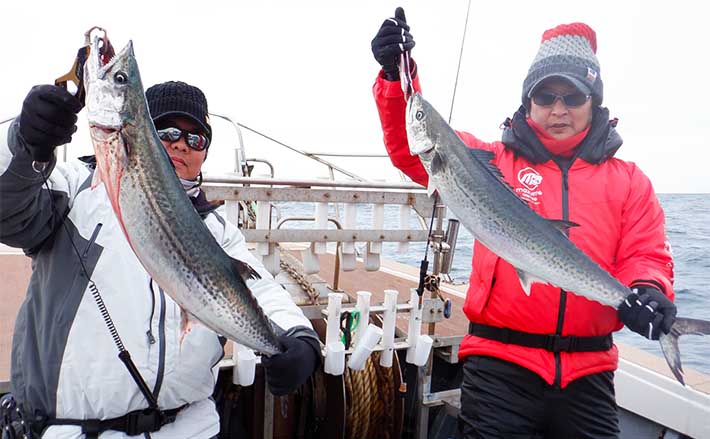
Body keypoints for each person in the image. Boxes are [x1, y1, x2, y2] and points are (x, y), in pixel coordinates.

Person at [371, 8, 676, 439]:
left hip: (589, 372)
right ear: (527, 102)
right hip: (499, 365)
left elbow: (646, 254)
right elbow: (411, 148)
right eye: (545, 96)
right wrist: (395, 75)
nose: (558, 109)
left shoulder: (628, 181)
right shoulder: (488, 161)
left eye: (572, 97)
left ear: (594, 101)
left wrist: (648, 290)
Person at [0, 80, 321, 438]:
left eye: (196, 138)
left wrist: (298, 335)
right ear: (140, 137)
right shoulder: (76, 188)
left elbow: (259, 291)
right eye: (166, 131)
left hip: (192, 428)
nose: (182, 144)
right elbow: (7, 211)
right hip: (74, 431)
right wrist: (25, 142)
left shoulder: (217, 230)